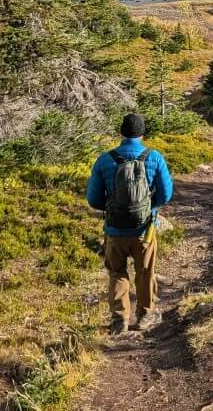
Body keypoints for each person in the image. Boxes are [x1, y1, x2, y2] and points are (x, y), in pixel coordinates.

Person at [86, 113, 174, 335]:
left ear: (121, 133)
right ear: (143, 134)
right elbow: (165, 195)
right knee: (145, 271)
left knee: (117, 273)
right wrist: (150, 207)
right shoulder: (154, 158)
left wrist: (110, 207)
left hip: (114, 231)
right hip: (144, 230)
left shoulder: (105, 159)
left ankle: (119, 320)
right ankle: (145, 315)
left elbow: (93, 199)